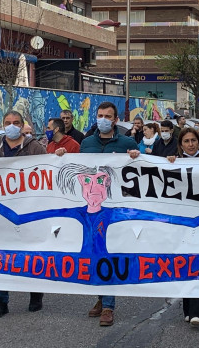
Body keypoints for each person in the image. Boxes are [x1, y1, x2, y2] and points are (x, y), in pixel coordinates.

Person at [0, 111, 46, 319]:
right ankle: (1, 301)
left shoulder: (34, 147)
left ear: (22, 124)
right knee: (0, 256)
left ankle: (35, 294)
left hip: (29, 208)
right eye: (8, 123)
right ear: (2, 125)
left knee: (31, 254)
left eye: (16, 123)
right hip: (1, 210)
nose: (12, 126)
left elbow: (48, 170)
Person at [79, 101, 139, 327]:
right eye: (100, 115)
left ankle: (108, 306)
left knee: (109, 252)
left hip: (115, 207)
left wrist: (135, 156)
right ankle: (101, 298)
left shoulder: (127, 142)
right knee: (94, 253)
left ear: (115, 120)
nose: (102, 119)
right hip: (91, 207)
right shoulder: (86, 143)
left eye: (107, 116)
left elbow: (138, 170)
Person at [166, 128, 199, 326]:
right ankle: (188, 307)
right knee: (185, 263)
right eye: (186, 141)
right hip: (182, 220)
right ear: (181, 144)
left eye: (194, 140)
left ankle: (198, 312)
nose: (190, 144)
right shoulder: (173, 162)